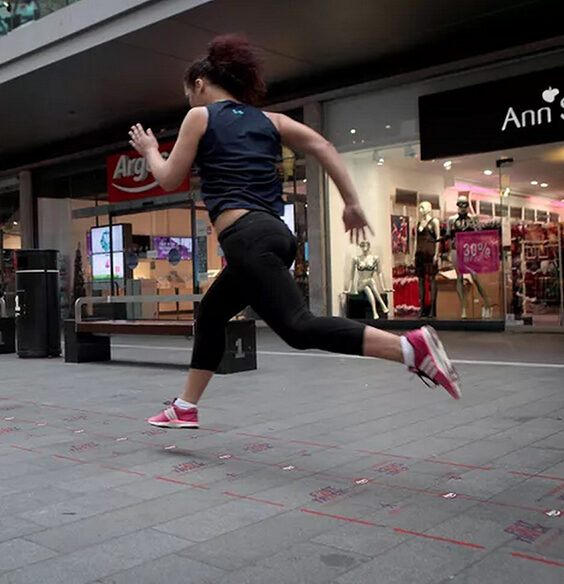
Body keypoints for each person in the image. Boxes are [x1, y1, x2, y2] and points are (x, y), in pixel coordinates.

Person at [127, 36, 461, 430]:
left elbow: (167, 178)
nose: (190, 101)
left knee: (298, 328)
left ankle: (409, 347)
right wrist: (351, 203)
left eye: (189, 93)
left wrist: (150, 150)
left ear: (201, 82)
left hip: (247, 238)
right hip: (272, 236)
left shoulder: (200, 117)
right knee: (213, 312)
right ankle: (186, 405)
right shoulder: (271, 121)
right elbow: (321, 145)